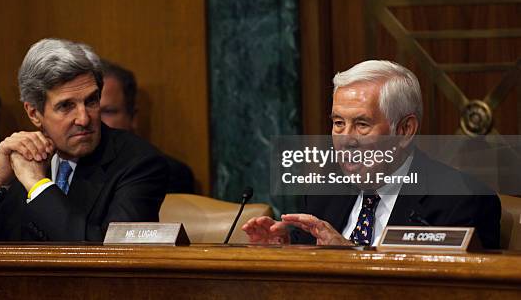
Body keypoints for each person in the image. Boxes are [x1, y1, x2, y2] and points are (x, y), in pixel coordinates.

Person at [242, 60, 501, 249]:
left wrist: (351, 257)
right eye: (338, 123)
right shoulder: (324, 189)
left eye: (362, 125)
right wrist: (284, 247)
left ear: (404, 130)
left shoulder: (460, 199)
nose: (345, 139)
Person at [0, 38, 168, 242]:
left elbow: (112, 258)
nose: (84, 118)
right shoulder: (15, 161)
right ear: (34, 113)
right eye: (66, 106)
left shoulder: (138, 163)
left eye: (91, 101)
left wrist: (39, 186)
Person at [100, 59, 195, 193]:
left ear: (133, 117)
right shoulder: (67, 172)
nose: (94, 121)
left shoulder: (167, 173)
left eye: (108, 111)